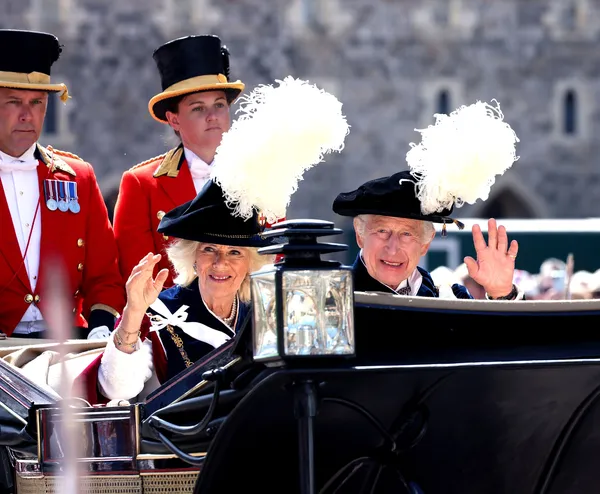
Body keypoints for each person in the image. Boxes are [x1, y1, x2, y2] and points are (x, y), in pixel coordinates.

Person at [75, 75, 350, 404]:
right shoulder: (160, 313)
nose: (221, 263)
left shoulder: (265, 312)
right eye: (209, 249)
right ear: (191, 257)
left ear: (250, 262)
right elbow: (117, 389)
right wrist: (134, 313)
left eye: (235, 252)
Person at [0, 29, 125, 339]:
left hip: (68, 344)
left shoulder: (78, 178)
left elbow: (105, 275)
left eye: (37, 102)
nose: (27, 115)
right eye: (14, 102)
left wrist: (100, 325)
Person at [333, 100, 524, 300]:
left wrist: (502, 294)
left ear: (426, 244)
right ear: (360, 235)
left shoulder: (450, 300)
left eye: (407, 234)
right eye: (382, 231)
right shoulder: (332, 299)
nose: (393, 247)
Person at [112, 34, 246, 289]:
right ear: (174, 120)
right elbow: (137, 279)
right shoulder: (141, 184)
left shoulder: (258, 176)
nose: (212, 116)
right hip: (169, 314)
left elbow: (273, 263)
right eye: (198, 108)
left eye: (219, 105)